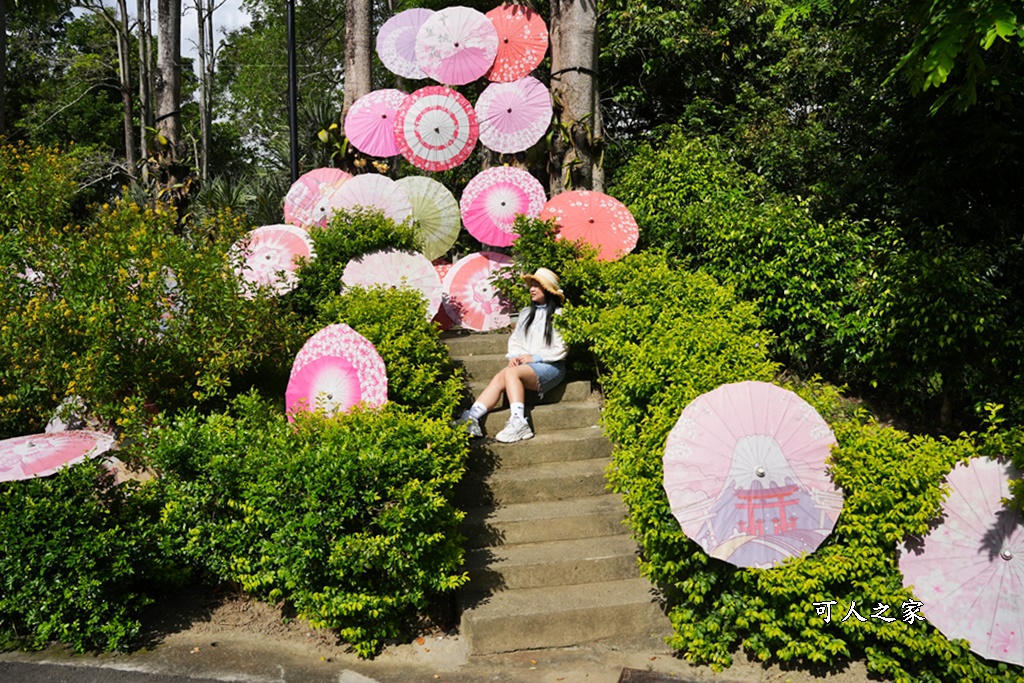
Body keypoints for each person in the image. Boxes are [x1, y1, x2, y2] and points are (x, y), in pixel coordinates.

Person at [454, 267, 567, 443]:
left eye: (537, 285)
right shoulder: (525, 314)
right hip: (527, 366)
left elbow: (562, 348)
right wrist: (515, 355)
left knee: (511, 373)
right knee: (502, 375)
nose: (532, 289)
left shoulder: (560, 315)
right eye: (531, 285)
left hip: (551, 366)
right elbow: (516, 340)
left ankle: (519, 422)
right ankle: (472, 418)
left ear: (548, 290)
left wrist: (534, 358)